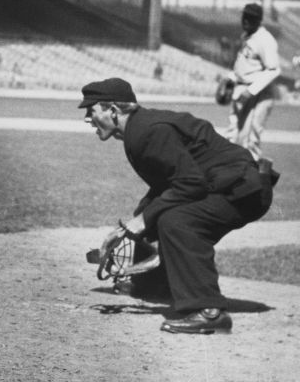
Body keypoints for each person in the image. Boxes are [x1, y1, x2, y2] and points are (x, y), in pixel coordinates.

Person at [80, 77, 277, 334]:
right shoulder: (139, 129)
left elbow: (190, 184)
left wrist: (141, 222)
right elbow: (171, 184)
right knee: (153, 215)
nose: (87, 118)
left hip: (245, 190)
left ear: (113, 110)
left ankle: (209, 311)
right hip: (231, 186)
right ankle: (156, 286)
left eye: (91, 110)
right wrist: (131, 224)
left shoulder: (147, 131)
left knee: (178, 221)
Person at [224, 3, 280, 160]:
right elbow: (243, 65)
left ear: (259, 20)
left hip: (259, 94)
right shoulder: (246, 36)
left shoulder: (265, 39)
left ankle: (253, 181)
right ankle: (231, 176)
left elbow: (274, 69)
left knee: (250, 141)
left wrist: (251, 90)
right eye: (245, 16)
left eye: (251, 18)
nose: (246, 20)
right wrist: (231, 78)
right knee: (233, 136)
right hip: (242, 90)